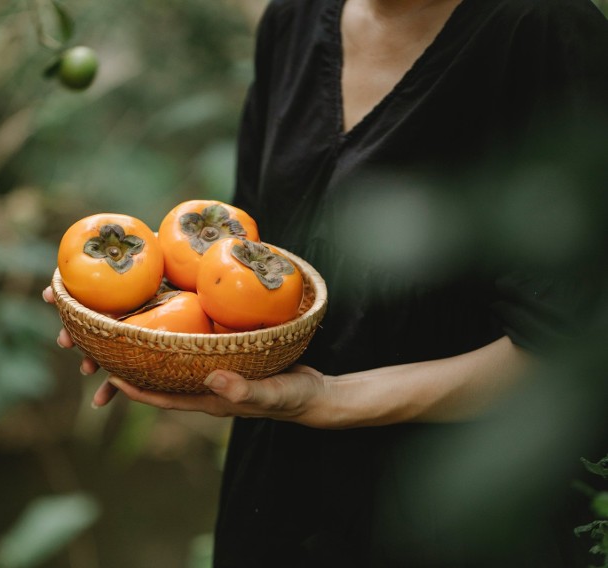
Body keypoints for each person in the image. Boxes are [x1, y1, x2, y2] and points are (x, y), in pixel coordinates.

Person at [45, 0, 608, 565]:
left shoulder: (547, 31)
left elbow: (571, 349)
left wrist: (334, 399)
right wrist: (131, 320)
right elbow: (235, 263)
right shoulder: (292, 20)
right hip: (278, 496)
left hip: (465, 517)